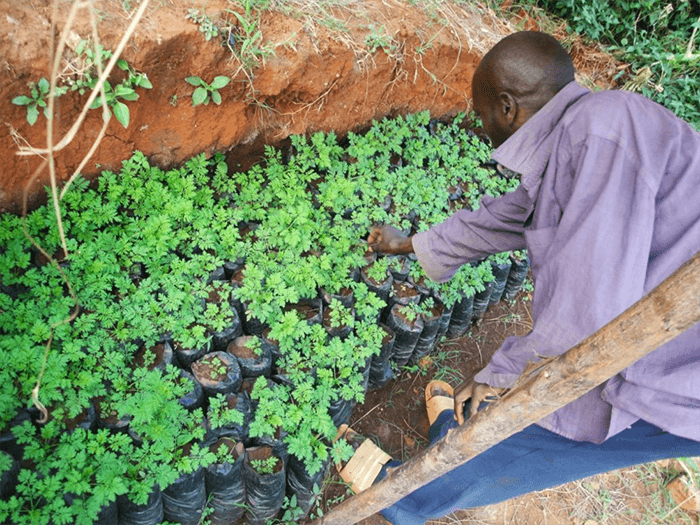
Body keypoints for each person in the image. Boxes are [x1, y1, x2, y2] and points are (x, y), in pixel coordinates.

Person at [355, 30, 700, 524]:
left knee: (539, 429)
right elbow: (510, 215)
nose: (484, 128)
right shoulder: (588, 130)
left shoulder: (601, 134)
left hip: (677, 370)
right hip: (669, 347)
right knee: (516, 417)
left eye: (483, 116)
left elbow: (585, 313)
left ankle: (405, 499)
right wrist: (409, 243)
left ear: (507, 106)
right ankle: (435, 463)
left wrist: (499, 376)